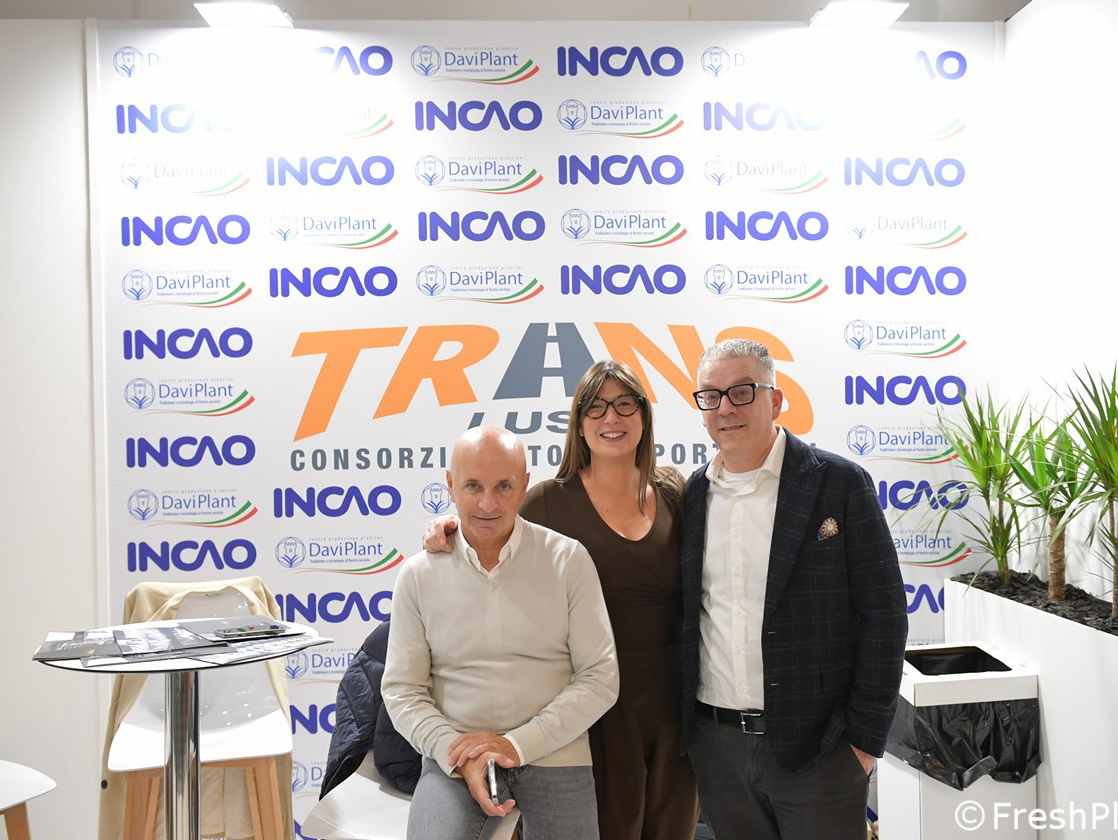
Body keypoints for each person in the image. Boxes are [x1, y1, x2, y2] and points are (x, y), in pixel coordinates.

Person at [426, 360, 700, 840]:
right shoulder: (547, 502)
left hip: (676, 700)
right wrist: (445, 527)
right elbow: (489, 533)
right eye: (596, 407)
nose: (611, 417)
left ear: (644, 415)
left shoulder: (676, 492)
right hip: (591, 704)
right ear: (578, 422)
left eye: (624, 404)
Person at [680, 338, 908, 840]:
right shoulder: (692, 495)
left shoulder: (839, 484)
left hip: (820, 748)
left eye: (742, 391)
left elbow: (885, 614)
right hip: (717, 748)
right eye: (711, 396)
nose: (726, 408)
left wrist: (864, 742)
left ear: (776, 400)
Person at [383, 425, 620, 840]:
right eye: (473, 486)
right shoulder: (419, 575)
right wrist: (457, 754)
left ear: (524, 485)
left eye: (504, 486)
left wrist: (516, 744)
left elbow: (600, 678)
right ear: (451, 485)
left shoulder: (568, 560)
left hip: (554, 753)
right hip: (455, 759)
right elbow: (403, 689)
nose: (488, 503)